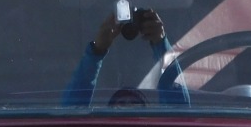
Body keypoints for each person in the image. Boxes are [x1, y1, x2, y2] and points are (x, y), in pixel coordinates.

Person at [62, 9, 190, 107]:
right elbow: (71, 117)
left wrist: (161, 43)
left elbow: (180, 115)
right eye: (121, 105)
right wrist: (96, 50)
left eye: (135, 104)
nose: (128, 107)